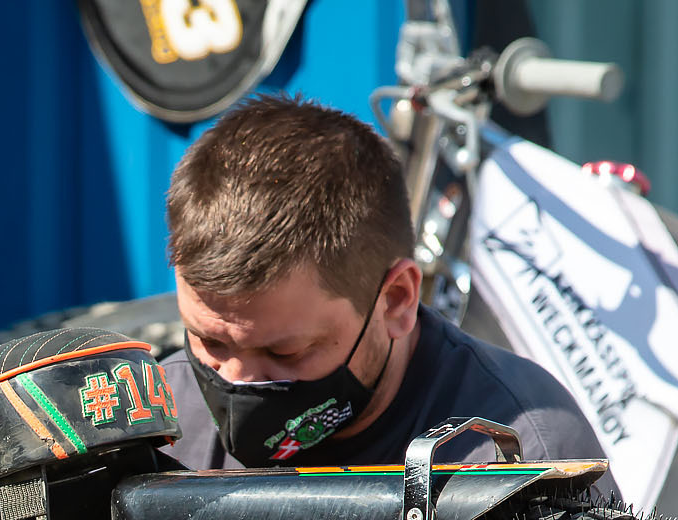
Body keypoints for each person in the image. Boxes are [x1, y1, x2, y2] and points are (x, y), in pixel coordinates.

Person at [157, 93, 608, 479]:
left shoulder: (519, 458)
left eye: (284, 352)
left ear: (396, 301)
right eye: (210, 341)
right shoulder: (154, 431)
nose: (235, 383)